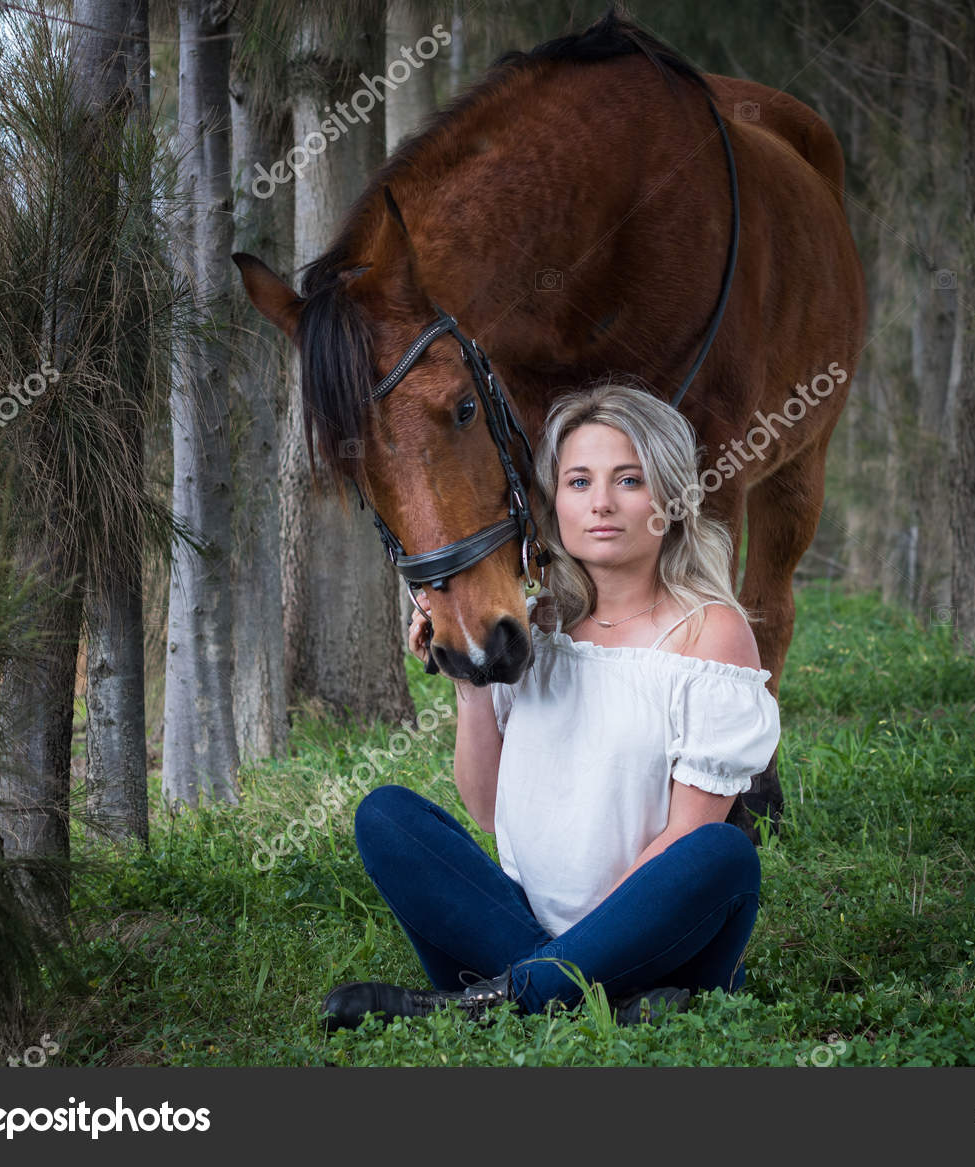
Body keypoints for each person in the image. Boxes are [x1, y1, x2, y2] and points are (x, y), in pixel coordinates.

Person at [321, 380, 781, 1031]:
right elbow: (487, 807)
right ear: (553, 499)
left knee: (722, 855)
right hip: (521, 925)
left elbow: (684, 837)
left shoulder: (711, 633)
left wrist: (596, 949)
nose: (600, 503)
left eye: (628, 480)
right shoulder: (535, 625)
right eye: (578, 481)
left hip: (651, 944)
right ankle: (591, 1004)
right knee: (386, 817)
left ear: (671, 499)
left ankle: (479, 1001)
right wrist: (470, 683)